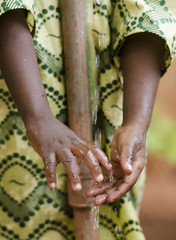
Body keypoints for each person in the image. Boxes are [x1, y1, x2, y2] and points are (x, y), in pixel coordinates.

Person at [0, 1, 176, 239]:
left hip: (110, 107)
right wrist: (38, 117)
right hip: (19, 98)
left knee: (107, 211)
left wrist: (136, 123)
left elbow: (146, 12)